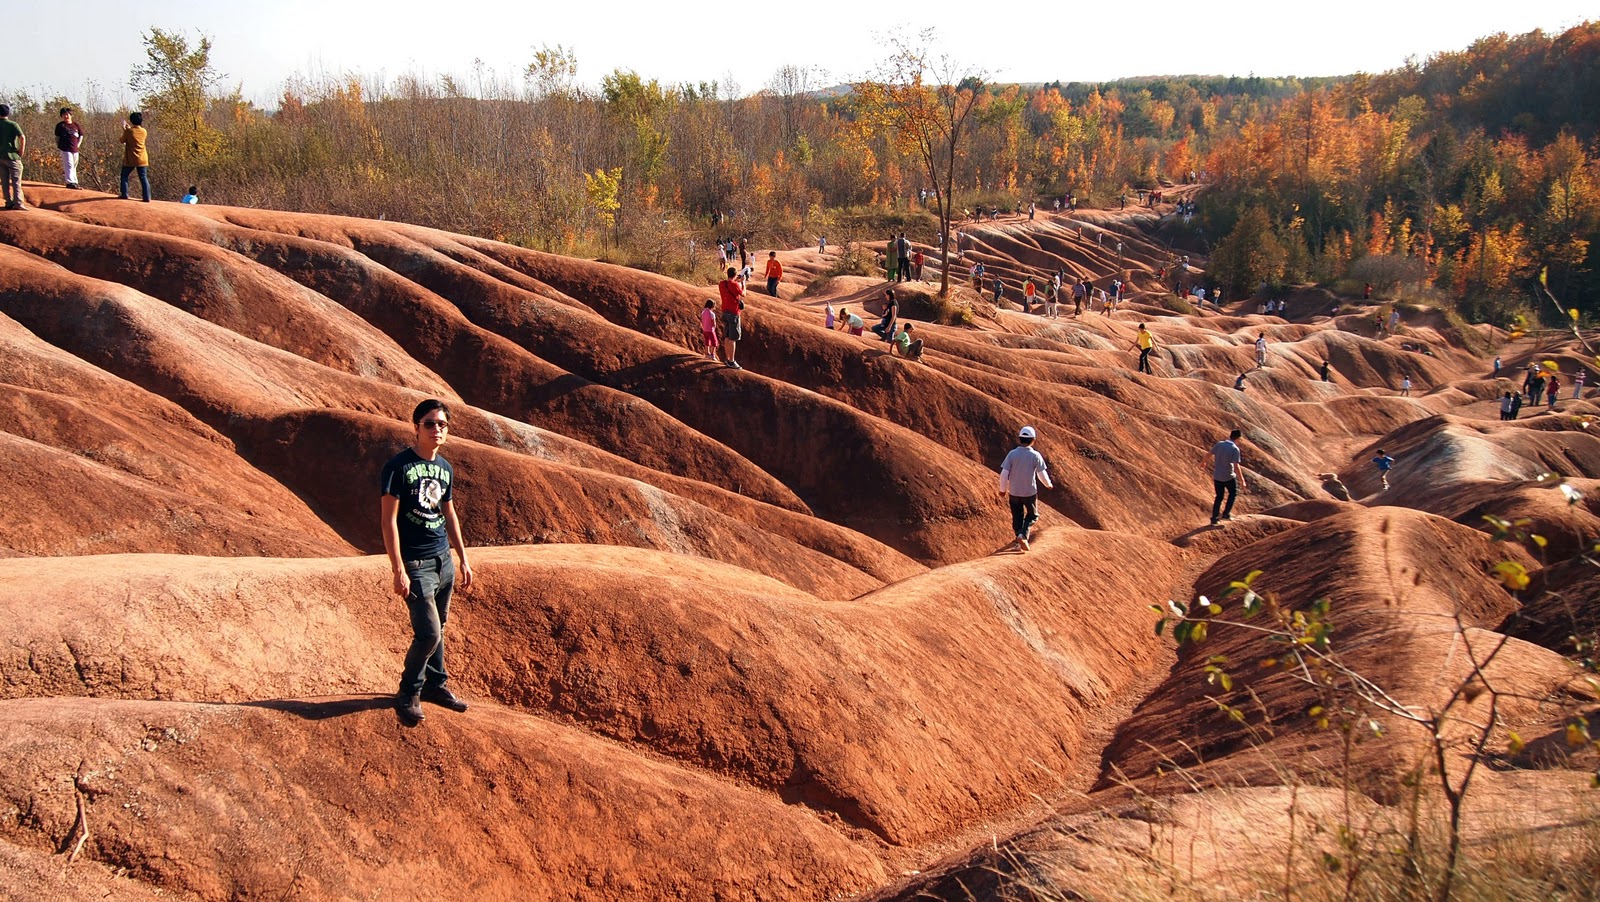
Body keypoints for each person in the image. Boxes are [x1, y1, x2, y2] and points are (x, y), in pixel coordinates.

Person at [381, 399, 475, 725]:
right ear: (416, 428)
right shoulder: (398, 468)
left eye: (442, 424)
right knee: (429, 633)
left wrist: (462, 559)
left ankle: (436, 685)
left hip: (443, 560)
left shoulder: (445, 468)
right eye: (430, 423)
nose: (437, 429)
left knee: (441, 627)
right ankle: (408, 691)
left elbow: (449, 513)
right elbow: (388, 522)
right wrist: (398, 570)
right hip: (417, 564)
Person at [999, 425, 1053, 551]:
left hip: (1014, 492)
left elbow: (1004, 474)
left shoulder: (1012, 454)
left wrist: (1002, 490)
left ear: (1019, 438)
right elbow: (1042, 474)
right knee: (1033, 516)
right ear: (1033, 440)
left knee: (1017, 517)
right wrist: (1048, 485)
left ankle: (1019, 541)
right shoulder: (1035, 455)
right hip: (1029, 493)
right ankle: (1023, 536)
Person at [1208, 429, 1246, 526]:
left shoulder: (1219, 444)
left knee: (1219, 497)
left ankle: (1214, 519)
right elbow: (1236, 466)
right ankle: (1226, 514)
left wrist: (1203, 462)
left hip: (1217, 476)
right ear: (1238, 439)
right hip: (1228, 476)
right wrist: (1242, 480)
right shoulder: (1234, 449)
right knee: (1233, 493)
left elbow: (1209, 454)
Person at [119, 111, 152, 202]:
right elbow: (135, 134)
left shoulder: (129, 131)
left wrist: (124, 129)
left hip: (131, 158)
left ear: (131, 120)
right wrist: (128, 129)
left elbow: (122, 140)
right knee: (143, 177)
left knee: (124, 176)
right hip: (143, 158)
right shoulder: (144, 131)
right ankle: (147, 197)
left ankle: (124, 194)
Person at [718, 266, 745, 369]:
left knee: (727, 336)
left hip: (725, 312)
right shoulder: (736, 285)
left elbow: (729, 285)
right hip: (734, 313)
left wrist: (735, 281)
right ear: (735, 275)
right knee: (733, 338)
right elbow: (744, 294)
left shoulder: (722, 284)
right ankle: (731, 361)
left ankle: (727, 359)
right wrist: (743, 283)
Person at [0, 105, 23, 211]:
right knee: (16, 181)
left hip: (1, 156)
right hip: (13, 156)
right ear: (8, 113)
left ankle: (8, 202)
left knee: (4, 181)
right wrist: (21, 150)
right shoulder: (13, 124)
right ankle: (18, 203)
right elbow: (22, 137)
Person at [55, 107, 83, 189]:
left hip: (75, 148)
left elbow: (81, 135)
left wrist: (78, 145)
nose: (66, 116)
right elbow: (57, 137)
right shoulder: (60, 125)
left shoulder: (76, 125)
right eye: (64, 115)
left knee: (74, 165)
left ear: (71, 115)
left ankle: (75, 181)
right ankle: (70, 182)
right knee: (69, 164)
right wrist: (59, 146)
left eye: (67, 114)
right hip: (65, 148)